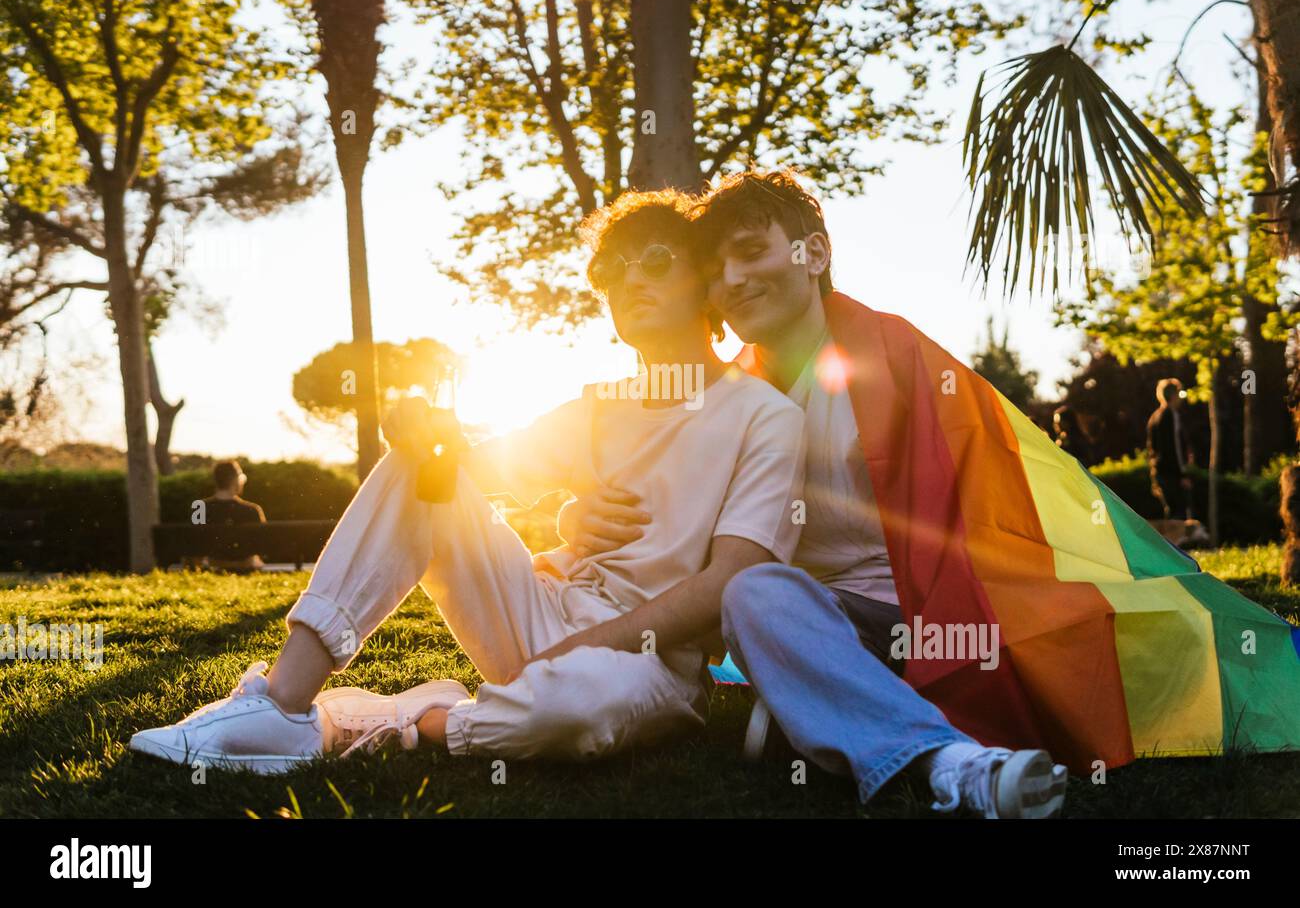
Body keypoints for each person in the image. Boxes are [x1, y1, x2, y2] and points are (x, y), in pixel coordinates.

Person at [129, 189, 806, 773]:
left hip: (643, 666)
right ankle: (282, 704)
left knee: (573, 709)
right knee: (424, 469)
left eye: (655, 259)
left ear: (705, 278)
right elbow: (471, 471)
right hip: (543, 618)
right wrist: (417, 432)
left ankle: (419, 717)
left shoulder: (764, 416)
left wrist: (584, 645)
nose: (630, 280)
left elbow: (731, 582)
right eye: (610, 268)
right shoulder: (599, 405)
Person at [561, 169, 1069, 818]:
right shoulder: (724, 393)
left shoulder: (897, 354)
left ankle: (902, 736)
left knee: (754, 594)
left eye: (751, 252)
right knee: (753, 590)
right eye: (716, 270)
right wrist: (577, 512)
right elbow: (668, 514)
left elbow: (991, 496)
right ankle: (946, 758)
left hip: (926, 616)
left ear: (815, 254)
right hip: (796, 620)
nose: (735, 281)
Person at [196, 460, 266, 572]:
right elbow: (262, 545)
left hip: (213, 565)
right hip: (245, 566)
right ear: (236, 480)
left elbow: (194, 543)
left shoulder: (199, 508)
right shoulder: (252, 510)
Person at [1147, 378, 1194, 521]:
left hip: (1159, 471)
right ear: (1173, 395)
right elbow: (1174, 448)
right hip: (1171, 474)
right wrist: (1182, 475)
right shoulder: (1170, 415)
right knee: (1179, 511)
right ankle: (1176, 543)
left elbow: (1152, 448)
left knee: (1172, 510)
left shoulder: (1154, 417)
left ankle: (1171, 542)